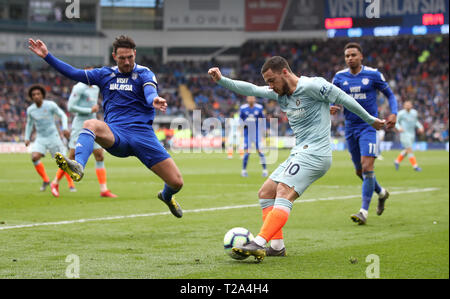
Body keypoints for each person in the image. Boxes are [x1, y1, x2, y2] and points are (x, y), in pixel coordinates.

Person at [208, 56, 385, 261]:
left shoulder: (313, 85)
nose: (270, 86)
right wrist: (222, 79)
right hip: (300, 152)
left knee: (284, 190)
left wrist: (371, 121)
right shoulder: (281, 94)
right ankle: (276, 246)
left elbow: (345, 99)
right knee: (266, 192)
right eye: (268, 83)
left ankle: (258, 242)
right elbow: (251, 89)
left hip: (316, 153)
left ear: (284, 72)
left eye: (272, 80)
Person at [28, 36, 183, 218]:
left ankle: (166, 196)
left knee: (176, 182)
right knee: (90, 124)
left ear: (135, 54)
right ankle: (78, 165)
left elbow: (150, 91)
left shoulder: (144, 73)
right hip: (116, 134)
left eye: (130, 57)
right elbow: (73, 73)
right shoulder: (104, 74)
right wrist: (47, 56)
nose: (126, 62)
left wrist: (154, 99)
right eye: (122, 58)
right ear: (114, 56)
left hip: (143, 136)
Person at [331, 42, 397, 225]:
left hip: (370, 125)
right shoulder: (339, 77)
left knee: (367, 167)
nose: (350, 58)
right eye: (347, 56)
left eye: (353, 55)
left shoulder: (373, 74)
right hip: (350, 127)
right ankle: (382, 193)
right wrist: (330, 105)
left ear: (361, 56)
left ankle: (363, 212)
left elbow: (390, 95)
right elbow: (329, 96)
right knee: (360, 171)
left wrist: (394, 113)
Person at [50, 76, 117, 198]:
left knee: (99, 155)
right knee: (72, 157)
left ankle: (103, 189)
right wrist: (89, 109)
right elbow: (70, 107)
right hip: (80, 125)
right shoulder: (79, 87)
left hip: (94, 124)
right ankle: (54, 183)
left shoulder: (96, 88)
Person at [24, 84, 75, 194]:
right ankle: (46, 180)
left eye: (38, 94)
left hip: (53, 137)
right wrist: (27, 137)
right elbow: (29, 124)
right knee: (34, 157)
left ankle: (71, 183)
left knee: (63, 160)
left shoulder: (50, 105)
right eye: (34, 95)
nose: (36, 96)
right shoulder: (30, 110)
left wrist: (65, 128)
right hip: (41, 138)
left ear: (42, 95)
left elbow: (63, 115)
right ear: (31, 97)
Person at [240, 96, 268, 177]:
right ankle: (244, 170)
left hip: (256, 133)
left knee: (260, 151)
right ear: (247, 99)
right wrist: (242, 125)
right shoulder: (243, 108)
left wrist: (264, 129)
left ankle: (265, 170)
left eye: (252, 98)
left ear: (255, 99)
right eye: (249, 98)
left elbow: (262, 119)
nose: (251, 99)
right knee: (247, 152)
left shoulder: (259, 108)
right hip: (247, 133)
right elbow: (240, 119)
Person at [394, 100, 424, 171]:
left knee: (407, 150)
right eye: (406, 105)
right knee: (410, 150)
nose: (407, 106)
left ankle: (397, 161)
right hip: (404, 134)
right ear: (404, 106)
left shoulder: (414, 113)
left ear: (411, 105)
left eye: (409, 105)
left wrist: (420, 127)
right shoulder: (401, 113)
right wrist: (399, 128)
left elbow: (416, 121)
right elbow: (396, 122)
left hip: (412, 134)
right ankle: (415, 166)